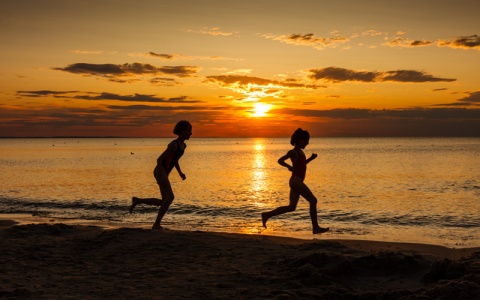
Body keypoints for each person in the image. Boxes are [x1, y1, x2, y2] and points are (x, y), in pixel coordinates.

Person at [262, 128, 329, 234]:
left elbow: (301, 165)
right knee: (313, 200)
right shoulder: (293, 152)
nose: (307, 143)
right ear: (298, 140)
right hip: (296, 181)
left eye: (307, 140)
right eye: (305, 140)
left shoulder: (301, 152)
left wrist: (311, 159)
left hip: (296, 181)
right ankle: (315, 227)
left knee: (292, 207)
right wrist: (289, 166)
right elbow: (280, 160)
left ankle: (267, 215)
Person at [130, 120, 192, 229]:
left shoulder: (183, 146)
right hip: (160, 170)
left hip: (164, 172)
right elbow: (159, 159)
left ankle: (138, 200)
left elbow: (174, 159)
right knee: (170, 197)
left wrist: (180, 172)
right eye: (189, 131)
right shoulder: (174, 144)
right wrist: (162, 174)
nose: (191, 133)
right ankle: (156, 224)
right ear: (182, 131)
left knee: (164, 201)